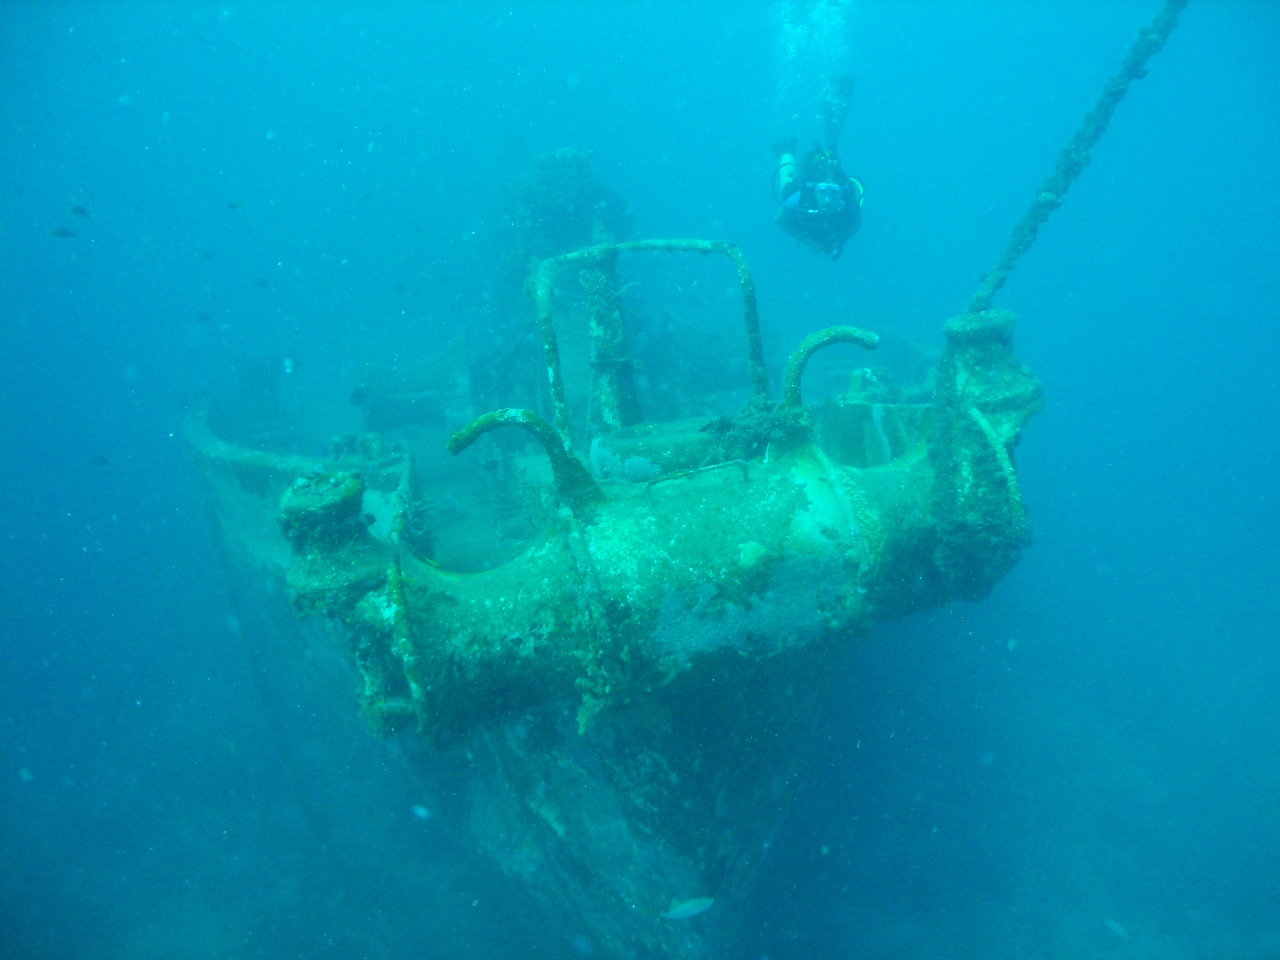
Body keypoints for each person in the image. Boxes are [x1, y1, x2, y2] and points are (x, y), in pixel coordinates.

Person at [773, 76, 864, 260]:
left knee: (831, 150)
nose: (828, 198)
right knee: (786, 190)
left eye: (834, 192)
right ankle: (786, 150)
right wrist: (805, 239)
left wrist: (840, 241)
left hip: (829, 226)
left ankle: (837, 99)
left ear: (841, 191)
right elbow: (780, 219)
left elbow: (856, 225)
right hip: (809, 182)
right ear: (815, 189)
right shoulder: (804, 196)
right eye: (822, 191)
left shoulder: (848, 202)